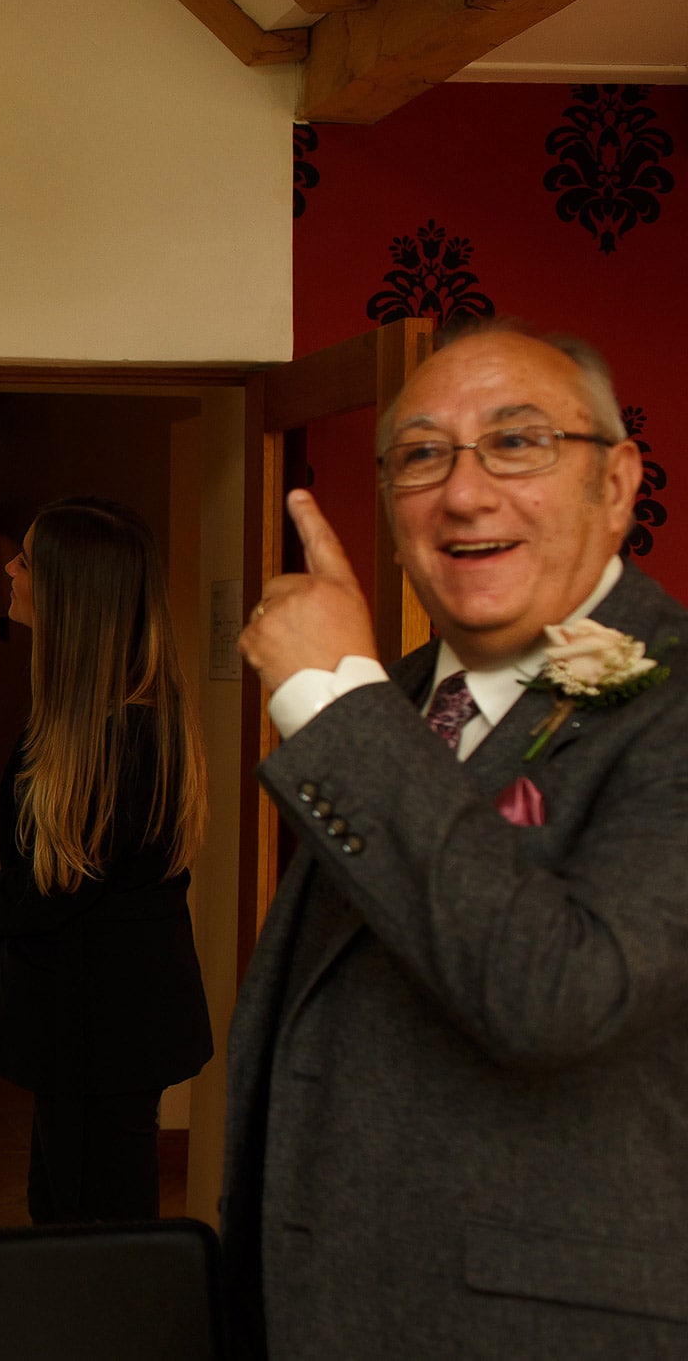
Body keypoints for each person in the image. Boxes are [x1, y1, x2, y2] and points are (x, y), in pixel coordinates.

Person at [226, 321, 688, 1359]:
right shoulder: (390, 702)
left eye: (516, 443)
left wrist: (328, 703)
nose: (465, 494)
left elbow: (561, 995)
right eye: (422, 455)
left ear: (616, 484)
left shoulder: (355, 712)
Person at [0, 498, 214, 1224]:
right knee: (69, 1212)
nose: (10, 569)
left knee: (93, 1232)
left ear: (72, 594)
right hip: (93, 1026)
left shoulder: (120, 734)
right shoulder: (105, 721)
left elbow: (50, 890)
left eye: (27, 561)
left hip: (104, 1028)